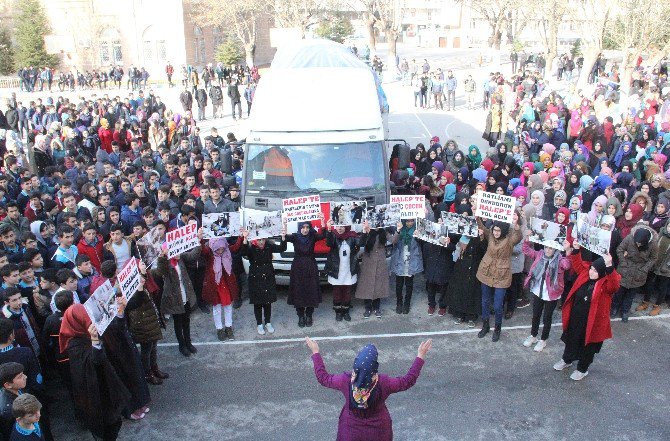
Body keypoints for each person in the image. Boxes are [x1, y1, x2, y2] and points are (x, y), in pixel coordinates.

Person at [306, 337, 431, 441]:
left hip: (350, 430)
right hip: (379, 431)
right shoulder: (384, 382)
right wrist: (420, 356)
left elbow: (323, 378)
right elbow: (407, 381)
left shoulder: (346, 380)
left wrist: (315, 352)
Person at [59, 304, 130, 440]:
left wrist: (119, 313)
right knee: (107, 426)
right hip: (94, 392)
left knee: (115, 421)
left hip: (106, 384)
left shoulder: (89, 332)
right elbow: (94, 362)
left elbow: (116, 332)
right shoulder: (74, 345)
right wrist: (95, 341)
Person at [555, 241, 620, 380]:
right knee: (571, 340)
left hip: (593, 323)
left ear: (602, 272)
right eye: (591, 268)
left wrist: (609, 266)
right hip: (576, 317)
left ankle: (582, 369)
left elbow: (614, 284)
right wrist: (576, 250)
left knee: (588, 347)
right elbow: (578, 264)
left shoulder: (606, 284)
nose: (592, 272)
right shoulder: (586, 273)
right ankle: (567, 360)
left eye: (596, 271)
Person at [475, 217, 522, 342]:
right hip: (486, 271)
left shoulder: (509, 240)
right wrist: (477, 217)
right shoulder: (490, 235)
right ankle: (485, 326)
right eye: (494, 230)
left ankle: (497, 328)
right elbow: (483, 228)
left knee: (497, 305)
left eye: (498, 231)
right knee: (485, 302)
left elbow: (518, 236)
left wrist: (517, 226)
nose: (495, 233)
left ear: (504, 231)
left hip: (502, 274)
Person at [521, 235, 570, 352]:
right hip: (538, 291)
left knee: (547, 318)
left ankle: (543, 340)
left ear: (555, 250)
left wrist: (568, 250)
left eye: (551, 248)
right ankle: (533, 335)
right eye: (547, 247)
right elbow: (526, 250)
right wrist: (527, 239)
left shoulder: (560, 259)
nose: (548, 250)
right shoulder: (540, 254)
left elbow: (567, 265)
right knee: (536, 315)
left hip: (551, 294)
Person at [240, 228, 286, 335]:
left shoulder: (269, 246)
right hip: (255, 278)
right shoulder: (251, 248)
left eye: (263, 239)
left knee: (267, 301)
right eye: (259, 240)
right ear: (255, 240)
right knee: (258, 302)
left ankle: (268, 322)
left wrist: (283, 236)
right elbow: (244, 252)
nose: (261, 242)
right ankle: (259, 324)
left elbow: (282, 248)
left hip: (268, 276)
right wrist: (245, 238)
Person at [611, 225, 658, 322]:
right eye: (637, 242)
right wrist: (623, 262)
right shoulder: (629, 238)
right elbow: (620, 249)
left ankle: (625, 311)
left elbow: (653, 258)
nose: (638, 245)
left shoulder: (653, 244)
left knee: (631, 294)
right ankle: (614, 308)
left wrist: (645, 268)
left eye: (641, 244)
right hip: (625, 269)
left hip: (639, 272)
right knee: (619, 292)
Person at [285, 218, 325, 328]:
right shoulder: (295, 236)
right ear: (299, 228)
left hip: (311, 265)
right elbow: (284, 237)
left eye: (307, 227)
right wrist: (284, 224)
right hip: (298, 266)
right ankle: (301, 315)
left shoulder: (313, 235)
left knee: (311, 290)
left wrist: (322, 222)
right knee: (299, 291)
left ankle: (309, 315)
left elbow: (324, 235)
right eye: (303, 227)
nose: (305, 230)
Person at [202, 236, 241, 341]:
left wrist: (242, 236)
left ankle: (228, 327)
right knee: (217, 308)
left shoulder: (227, 250)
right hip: (215, 284)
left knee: (228, 306)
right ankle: (219, 329)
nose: (220, 251)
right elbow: (203, 250)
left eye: (222, 248)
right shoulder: (209, 254)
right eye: (217, 249)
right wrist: (200, 239)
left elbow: (236, 247)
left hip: (227, 283)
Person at [325, 221, 361, 322]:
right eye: (337, 226)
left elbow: (360, 243)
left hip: (349, 270)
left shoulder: (352, 236)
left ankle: (346, 311)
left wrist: (366, 232)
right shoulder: (333, 236)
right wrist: (328, 230)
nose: (340, 228)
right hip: (336, 270)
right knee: (337, 292)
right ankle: (338, 312)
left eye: (342, 226)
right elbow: (329, 243)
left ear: (346, 227)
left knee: (347, 291)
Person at [356, 223, 390, 318]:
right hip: (368, 263)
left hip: (380, 263)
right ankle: (367, 308)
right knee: (367, 285)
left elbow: (393, 240)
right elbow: (360, 243)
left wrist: (398, 230)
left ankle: (376, 307)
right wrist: (365, 232)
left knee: (378, 285)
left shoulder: (384, 232)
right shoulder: (368, 232)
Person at [389, 220, 423, 315]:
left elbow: (423, 242)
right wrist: (398, 231)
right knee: (399, 284)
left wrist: (419, 236)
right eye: (407, 221)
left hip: (411, 260)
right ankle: (399, 303)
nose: (409, 223)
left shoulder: (417, 230)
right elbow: (393, 241)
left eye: (411, 221)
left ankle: (407, 303)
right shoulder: (398, 228)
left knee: (409, 284)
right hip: (399, 259)